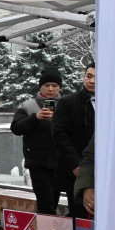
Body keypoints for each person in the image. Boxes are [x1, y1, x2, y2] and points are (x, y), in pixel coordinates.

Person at [10, 69, 67, 215]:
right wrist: (35, 118)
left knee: (54, 199)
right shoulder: (27, 106)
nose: (50, 89)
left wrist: (57, 119)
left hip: (61, 161)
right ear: (40, 87)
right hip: (37, 162)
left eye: (54, 85)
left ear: (60, 87)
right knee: (45, 202)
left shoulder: (67, 105)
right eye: (46, 85)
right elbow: (16, 128)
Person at [55, 62, 96, 218]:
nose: (91, 81)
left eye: (96, 77)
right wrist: (76, 164)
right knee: (80, 216)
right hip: (77, 171)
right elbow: (59, 135)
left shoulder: (114, 103)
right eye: (88, 76)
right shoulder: (68, 103)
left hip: (107, 172)